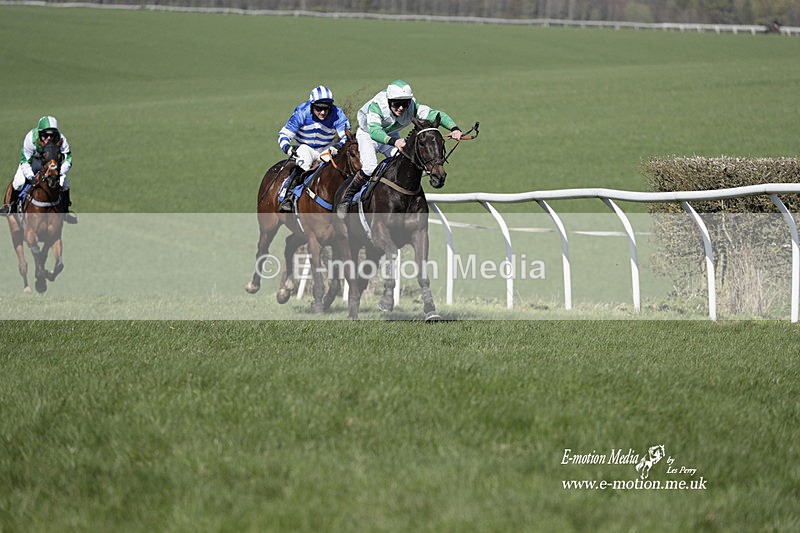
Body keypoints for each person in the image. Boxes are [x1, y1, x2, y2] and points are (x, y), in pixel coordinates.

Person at [335, 80, 462, 218]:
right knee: (370, 168)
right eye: (396, 104)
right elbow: (374, 132)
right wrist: (395, 142)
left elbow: (436, 115)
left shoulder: (413, 106)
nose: (401, 108)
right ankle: (347, 198)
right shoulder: (377, 106)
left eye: (405, 104)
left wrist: (454, 128)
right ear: (389, 101)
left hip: (391, 135)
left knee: (406, 162)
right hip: (368, 135)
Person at [277, 85, 351, 213]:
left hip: (327, 148)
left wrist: (337, 146)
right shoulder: (302, 112)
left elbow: (346, 136)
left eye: (326, 108)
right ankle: (287, 197)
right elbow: (284, 135)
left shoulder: (337, 113)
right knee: (304, 159)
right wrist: (288, 148)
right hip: (306, 147)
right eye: (319, 108)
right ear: (312, 105)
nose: (323, 112)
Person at [1, 116, 77, 224]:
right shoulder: (30, 138)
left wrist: (59, 173)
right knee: (19, 183)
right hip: (32, 162)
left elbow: (68, 159)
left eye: (52, 135)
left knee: (65, 185)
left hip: (51, 165)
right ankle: (10, 207)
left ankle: (65, 212)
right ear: (39, 133)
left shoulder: (61, 139)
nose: (49, 138)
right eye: (45, 135)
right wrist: (31, 177)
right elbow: (25, 161)